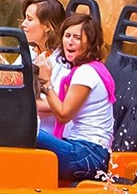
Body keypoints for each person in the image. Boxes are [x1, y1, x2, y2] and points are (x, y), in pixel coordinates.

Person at [35, 12, 116, 182]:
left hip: (88, 155)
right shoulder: (85, 70)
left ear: (90, 43)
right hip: (84, 151)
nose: (70, 42)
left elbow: (63, 115)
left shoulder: (86, 73)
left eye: (77, 38)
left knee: (26, 132)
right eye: (67, 36)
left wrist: (46, 82)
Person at [21, 0, 67, 133]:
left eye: (29, 19)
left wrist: (17, 102)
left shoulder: (62, 61)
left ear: (47, 26)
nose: (23, 24)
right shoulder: (30, 52)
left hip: (49, 133)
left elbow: (57, 104)